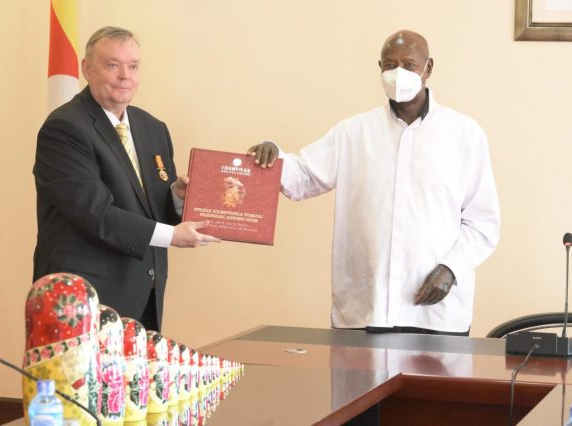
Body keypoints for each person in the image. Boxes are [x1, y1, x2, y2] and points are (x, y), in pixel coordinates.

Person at [248, 30, 500, 336]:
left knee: (437, 373)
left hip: (436, 313)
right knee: (356, 371)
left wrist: (451, 269)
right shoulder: (354, 132)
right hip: (367, 307)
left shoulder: (464, 135)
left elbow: (483, 223)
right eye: (390, 65)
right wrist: (273, 158)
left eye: (409, 65)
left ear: (428, 68)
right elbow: (303, 176)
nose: (398, 73)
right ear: (379, 68)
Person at [33, 26, 220, 332]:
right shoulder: (65, 128)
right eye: (112, 65)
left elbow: (149, 208)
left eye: (133, 66)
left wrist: (177, 197)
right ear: (86, 69)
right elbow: (95, 213)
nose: (125, 76)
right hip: (84, 299)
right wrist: (173, 236)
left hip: (144, 294)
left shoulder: (153, 128)